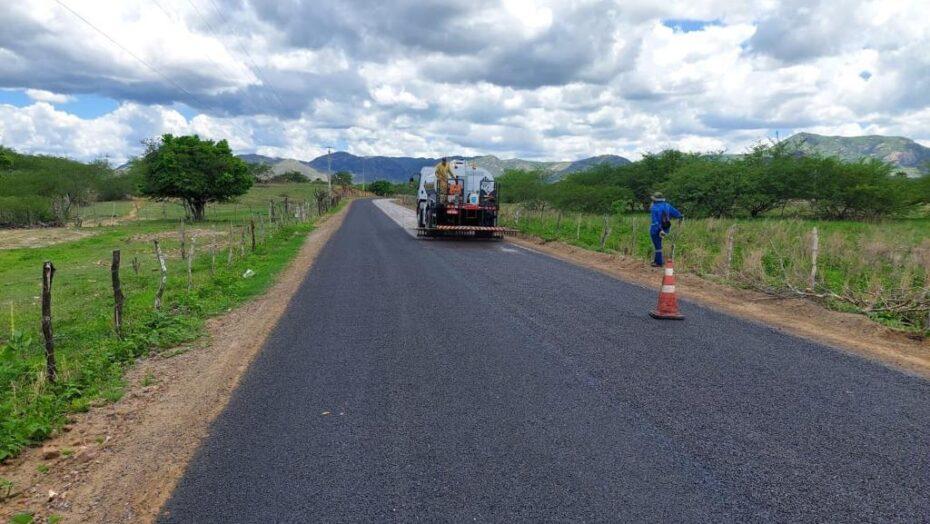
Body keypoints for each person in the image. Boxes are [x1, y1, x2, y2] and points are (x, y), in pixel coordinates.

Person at [649, 192, 683, 267]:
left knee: (657, 245)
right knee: (659, 244)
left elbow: (655, 221)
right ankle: (657, 261)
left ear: (655, 199)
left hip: (656, 229)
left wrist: (659, 229)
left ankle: (659, 262)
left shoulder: (654, 208)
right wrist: (681, 217)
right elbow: (676, 213)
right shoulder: (667, 205)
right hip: (666, 228)